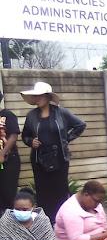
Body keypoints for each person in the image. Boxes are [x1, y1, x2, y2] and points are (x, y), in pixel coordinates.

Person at [20, 82, 86, 223]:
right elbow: (24, 135)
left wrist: (66, 139)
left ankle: (61, 222)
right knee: (43, 192)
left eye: (40, 96)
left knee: (60, 191)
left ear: (48, 97)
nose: (37, 99)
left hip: (59, 158)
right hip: (39, 160)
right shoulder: (31, 116)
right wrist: (31, 142)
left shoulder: (61, 113)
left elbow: (80, 125)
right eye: (35, 97)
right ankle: (46, 223)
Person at [0, 89, 21, 215]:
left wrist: (2, 154)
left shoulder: (8, 115)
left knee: (8, 193)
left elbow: (13, 136)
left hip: (9, 160)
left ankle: (10, 222)